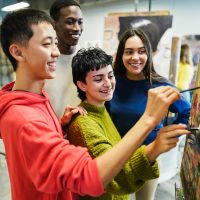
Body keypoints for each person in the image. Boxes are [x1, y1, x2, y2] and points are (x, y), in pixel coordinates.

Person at [0, 9, 185, 200]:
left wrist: (60, 128)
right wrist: (148, 120)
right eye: (47, 44)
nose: (56, 52)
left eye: (55, 43)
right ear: (17, 52)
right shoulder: (25, 119)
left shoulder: (36, 97)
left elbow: (38, 152)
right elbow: (89, 176)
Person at [66, 47, 190, 200]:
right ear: (82, 85)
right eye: (98, 79)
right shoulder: (83, 124)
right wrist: (154, 147)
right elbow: (114, 176)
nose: (108, 83)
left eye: (110, 76)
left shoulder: (102, 108)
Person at [107, 28, 191, 200]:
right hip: (116, 156)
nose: (135, 57)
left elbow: (188, 112)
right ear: (121, 55)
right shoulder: (112, 82)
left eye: (141, 51)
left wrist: (168, 134)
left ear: (149, 54)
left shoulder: (160, 85)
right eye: (129, 52)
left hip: (148, 158)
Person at [45, 0, 83, 117]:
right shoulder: (44, 61)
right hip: (51, 132)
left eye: (80, 22)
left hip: (83, 130)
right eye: (70, 22)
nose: (77, 28)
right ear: (54, 25)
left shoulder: (86, 58)